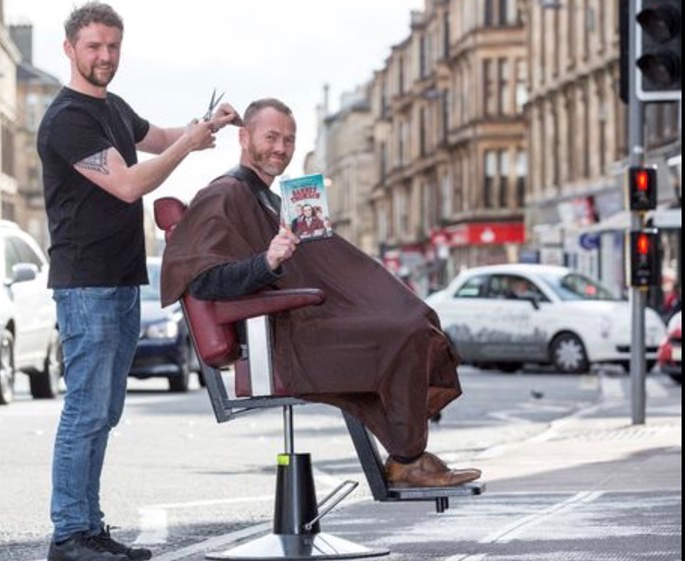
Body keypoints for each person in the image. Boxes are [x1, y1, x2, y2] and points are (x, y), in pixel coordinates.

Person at [160, 98, 481, 489]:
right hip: (286, 338)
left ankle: (406, 454)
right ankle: (406, 457)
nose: (281, 148)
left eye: (289, 140)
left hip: (304, 322)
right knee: (404, 332)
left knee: (414, 320)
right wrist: (268, 262)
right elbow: (205, 283)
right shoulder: (224, 194)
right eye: (271, 137)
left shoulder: (273, 199)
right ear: (244, 137)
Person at [36, 4, 240, 561]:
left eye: (113, 47)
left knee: (104, 411)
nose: (105, 56)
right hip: (86, 286)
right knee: (85, 408)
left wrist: (206, 127)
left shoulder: (113, 108)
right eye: (94, 46)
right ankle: (70, 535)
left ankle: (88, 528)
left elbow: (163, 137)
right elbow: (127, 185)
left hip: (121, 282)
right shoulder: (68, 119)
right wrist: (186, 147)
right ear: (70, 49)